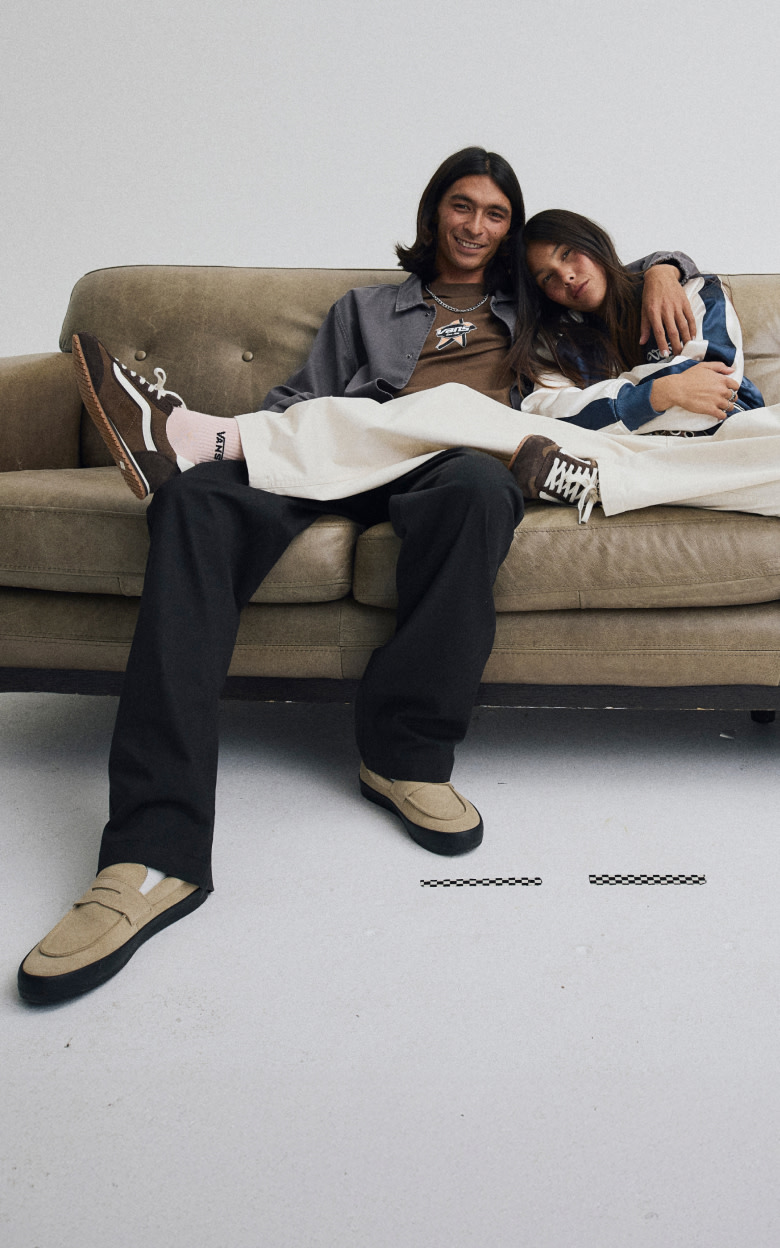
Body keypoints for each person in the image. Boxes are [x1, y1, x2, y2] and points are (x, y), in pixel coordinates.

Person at [17, 150, 697, 1004]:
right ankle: (155, 850)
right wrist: (260, 456)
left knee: (481, 488)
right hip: (331, 450)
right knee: (192, 504)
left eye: (495, 213)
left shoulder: (533, 310)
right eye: (462, 206)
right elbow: (303, 403)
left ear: (510, 227)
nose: (476, 226)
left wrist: (669, 264)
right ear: (433, 212)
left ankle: (404, 754)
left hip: (448, 463)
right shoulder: (366, 309)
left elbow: (608, 281)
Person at [507, 209, 780, 520]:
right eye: (547, 278)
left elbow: (717, 380)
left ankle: (600, 482)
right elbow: (545, 414)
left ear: (593, 242)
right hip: (652, 454)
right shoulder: (553, 344)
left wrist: (616, 412)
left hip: (726, 437)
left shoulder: (688, 290)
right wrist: (661, 392)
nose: (566, 276)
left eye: (568, 253)